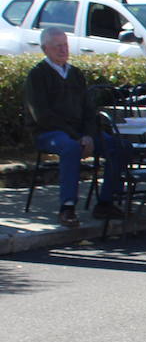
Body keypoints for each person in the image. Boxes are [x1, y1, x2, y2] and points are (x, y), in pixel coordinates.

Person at [24, 27, 129, 226]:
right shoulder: (37, 75)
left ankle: (106, 202)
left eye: (65, 45)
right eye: (57, 47)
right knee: (70, 148)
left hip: (80, 133)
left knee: (120, 147)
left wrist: (88, 135)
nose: (63, 50)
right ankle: (67, 207)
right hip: (49, 133)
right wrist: (76, 136)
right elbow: (42, 116)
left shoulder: (76, 74)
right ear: (45, 49)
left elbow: (89, 111)